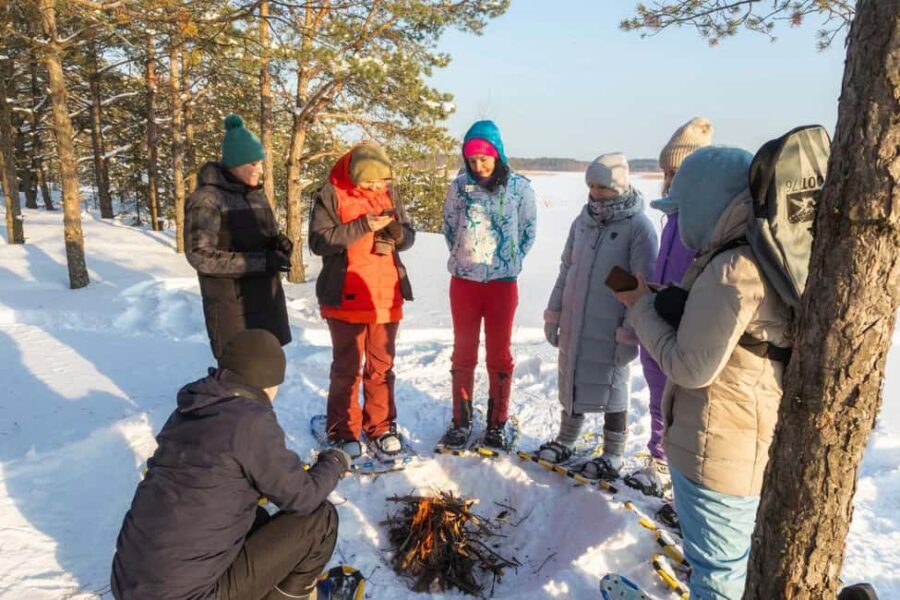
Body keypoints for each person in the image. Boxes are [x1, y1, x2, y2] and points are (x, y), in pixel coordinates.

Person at [614, 146, 791, 599]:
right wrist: (660, 300)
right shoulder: (750, 251)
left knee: (717, 574)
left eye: (681, 209)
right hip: (735, 438)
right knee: (726, 564)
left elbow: (691, 367)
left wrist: (639, 309)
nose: (678, 222)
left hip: (721, 448)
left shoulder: (734, 268)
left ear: (705, 202)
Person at [111, 329, 351, 600]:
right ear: (268, 380)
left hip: (127, 583)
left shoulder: (190, 410)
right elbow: (303, 497)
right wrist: (335, 461)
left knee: (257, 519)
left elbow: (213, 476)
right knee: (319, 521)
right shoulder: (250, 421)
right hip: (188, 596)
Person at [537, 153, 657, 480]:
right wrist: (554, 314)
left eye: (601, 186)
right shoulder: (583, 221)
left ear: (618, 186)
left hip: (611, 327)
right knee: (571, 378)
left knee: (612, 386)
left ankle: (614, 454)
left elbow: (643, 284)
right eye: (591, 185)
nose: (595, 192)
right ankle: (566, 439)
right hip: (576, 320)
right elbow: (566, 269)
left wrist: (629, 334)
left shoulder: (638, 227)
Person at [308, 142, 415, 459]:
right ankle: (342, 431)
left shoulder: (390, 192)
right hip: (345, 297)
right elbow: (319, 241)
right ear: (355, 177)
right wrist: (362, 226)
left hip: (386, 295)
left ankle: (380, 427)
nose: (377, 188)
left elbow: (408, 236)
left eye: (382, 181)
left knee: (381, 368)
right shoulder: (331, 194)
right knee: (347, 368)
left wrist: (396, 232)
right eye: (370, 183)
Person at [626, 117, 714, 498]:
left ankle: (678, 472)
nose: (669, 180)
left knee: (681, 403)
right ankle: (658, 459)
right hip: (658, 316)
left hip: (682, 322)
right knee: (657, 393)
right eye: (666, 172)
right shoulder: (672, 217)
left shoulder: (704, 220)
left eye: (677, 173)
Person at [439, 120, 537, 450]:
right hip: (464, 283)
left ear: (497, 154)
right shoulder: (459, 187)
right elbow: (449, 226)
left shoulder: (519, 188)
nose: (478, 166)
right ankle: (461, 420)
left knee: (499, 354)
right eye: (472, 160)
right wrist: (465, 256)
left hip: (502, 285)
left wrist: (509, 259)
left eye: (484, 158)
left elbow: (528, 231)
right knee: (463, 352)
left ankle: (497, 423)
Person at [184, 114, 292, 359]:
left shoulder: (257, 196)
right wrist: (261, 261)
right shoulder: (207, 199)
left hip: (266, 301)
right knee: (239, 374)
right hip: (232, 308)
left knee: (270, 372)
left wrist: (279, 244)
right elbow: (200, 256)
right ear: (234, 163)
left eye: (260, 163)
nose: (259, 170)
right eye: (252, 164)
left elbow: (265, 238)